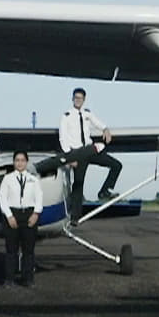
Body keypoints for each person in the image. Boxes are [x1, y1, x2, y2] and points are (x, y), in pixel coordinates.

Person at [58, 87, 123, 221]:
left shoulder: (87, 114)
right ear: (72, 99)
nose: (78, 100)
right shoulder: (66, 116)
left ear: (84, 100)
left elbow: (98, 123)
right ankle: (75, 217)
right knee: (78, 184)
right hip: (77, 153)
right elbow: (62, 138)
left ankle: (104, 191)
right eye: (76, 98)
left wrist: (105, 129)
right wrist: (70, 157)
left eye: (80, 98)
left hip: (90, 150)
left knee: (116, 165)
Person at [0, 150, 43, 287]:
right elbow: (2, 199)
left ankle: (28, 279)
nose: (20, 163)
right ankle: (9, 279)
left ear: (27, 162)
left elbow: (39, 198)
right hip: (12, 214)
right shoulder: (7, 179)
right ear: (13, 162)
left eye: (22, 160)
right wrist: (9, 216)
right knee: (11, 250)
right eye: (17, 160)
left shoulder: (34, 180)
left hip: (29, 214)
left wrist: (36, 214)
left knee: (28, 250)